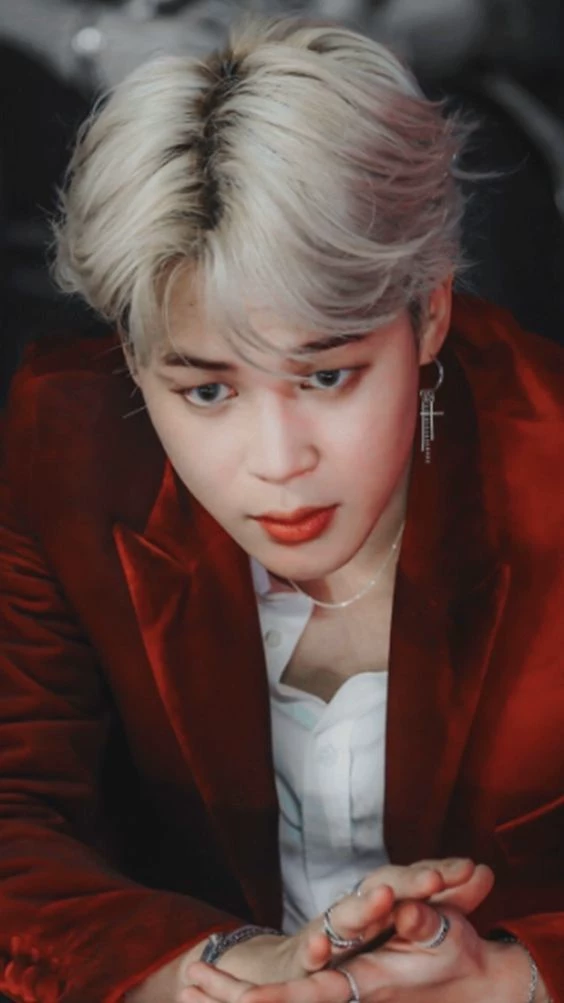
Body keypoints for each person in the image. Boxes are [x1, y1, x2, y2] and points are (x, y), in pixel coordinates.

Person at [0, 13, 562, 1003]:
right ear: (132, 354)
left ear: (429, 311)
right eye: (207, 389)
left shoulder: (547, 454)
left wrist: (518, 976)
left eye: (328, 374)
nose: (278, 463)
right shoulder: (67, 441)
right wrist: (211, 968)